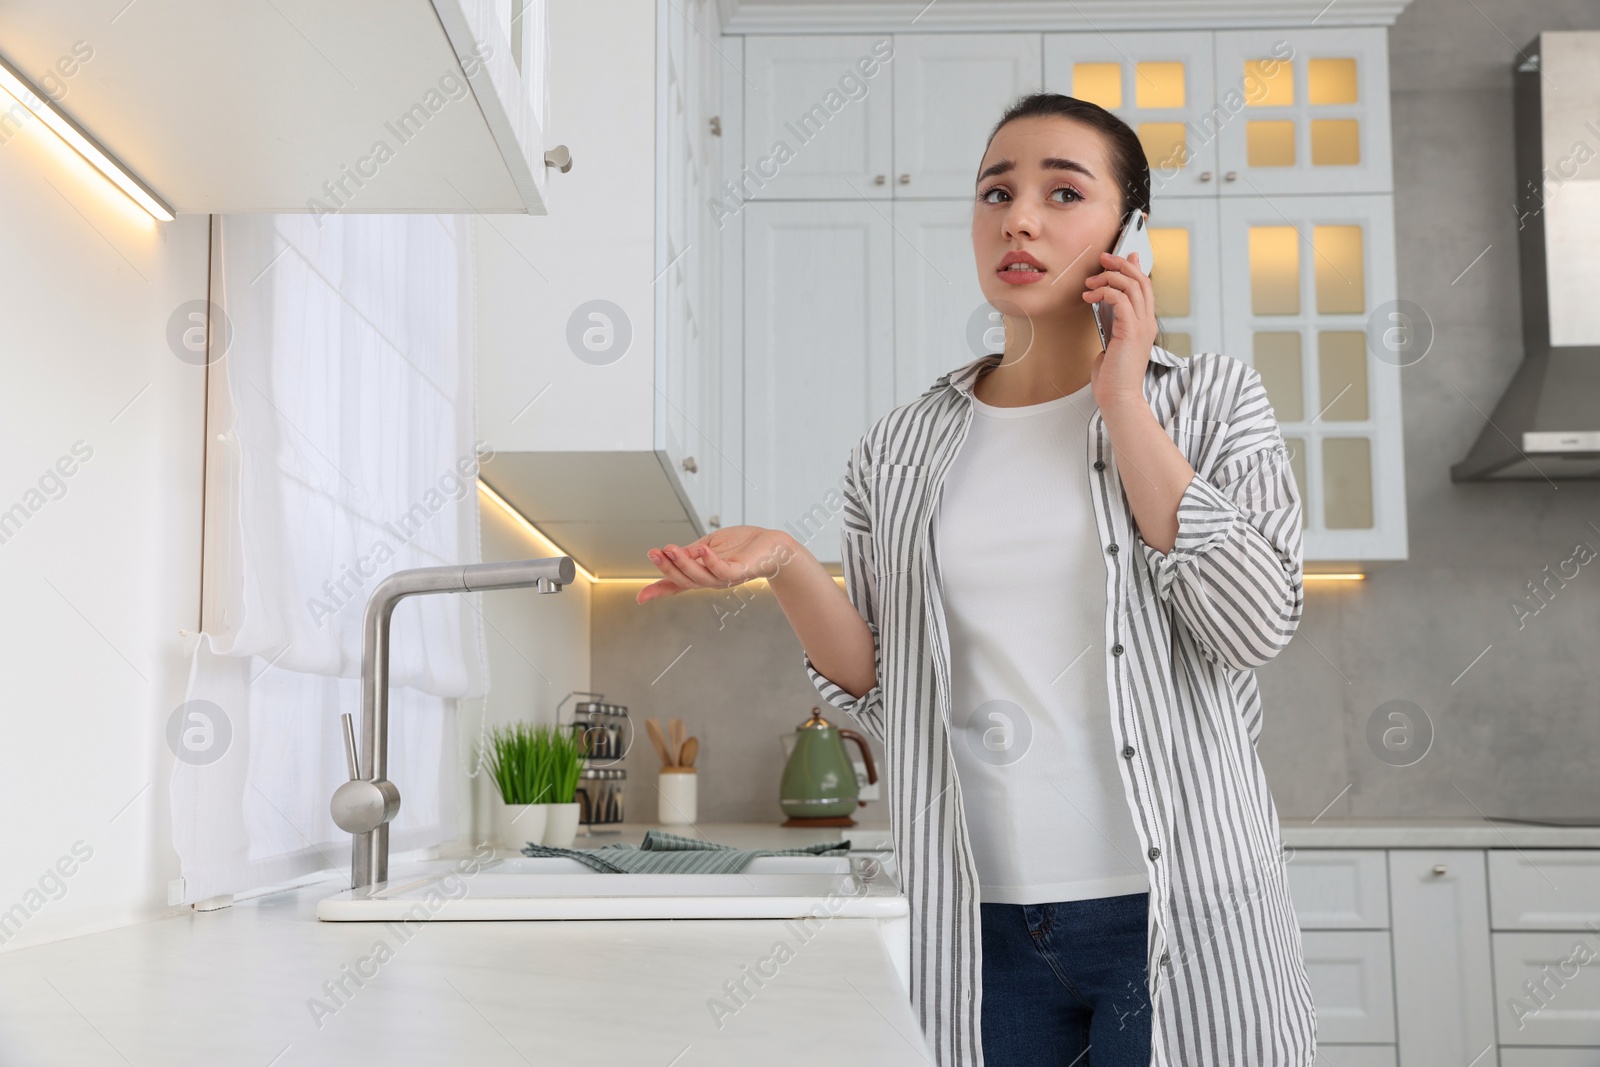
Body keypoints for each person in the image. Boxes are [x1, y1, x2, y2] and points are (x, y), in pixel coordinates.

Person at [638, 92, 1316, 1067]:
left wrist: (1122, 399)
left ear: (1133, 235)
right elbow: (879, 681)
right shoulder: (902, 443)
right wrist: (787, 562)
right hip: (977, 922)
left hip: (1179, 912)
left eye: (1063, 191)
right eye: (996, 191)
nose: (1020, 217)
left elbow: (1253, 622)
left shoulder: (1207, 400)